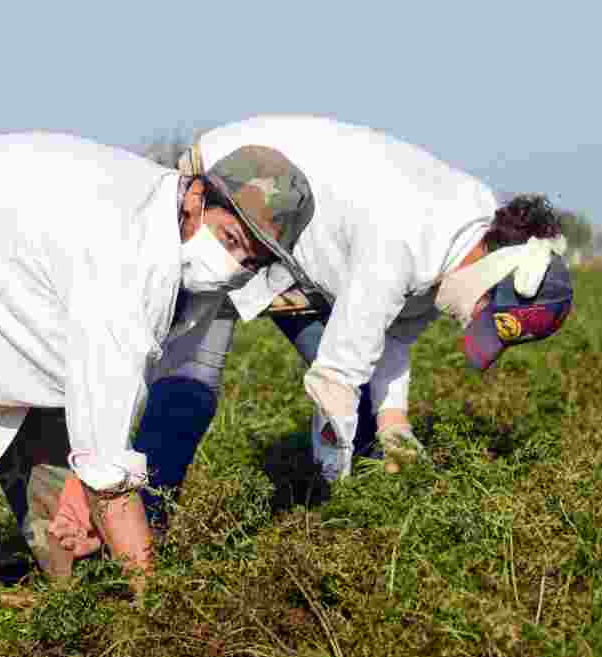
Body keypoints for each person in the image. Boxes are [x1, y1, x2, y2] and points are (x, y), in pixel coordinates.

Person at [0, 131, 314, 657]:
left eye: (250, 257)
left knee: (72, 530)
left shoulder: (180, 270)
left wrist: (90, 487)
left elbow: (108, 413)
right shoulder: (122, 257)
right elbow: (110, 473)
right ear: (196, 197)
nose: (231, 263)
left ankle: (90, 641)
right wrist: (161, 612)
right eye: (228, 237)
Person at [133, 115, 573, 520]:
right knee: (192, 375)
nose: (468, 322)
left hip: (295, 246)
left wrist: (394, 422)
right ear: (494, 270)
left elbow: (392, 338)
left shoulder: (467, 240)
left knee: (367, 416)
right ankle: (139, 530)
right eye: (481, 312)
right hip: (236, 196)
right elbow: (336, 378)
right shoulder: (404, 241)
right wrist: (335, 484)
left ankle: (356, 513)